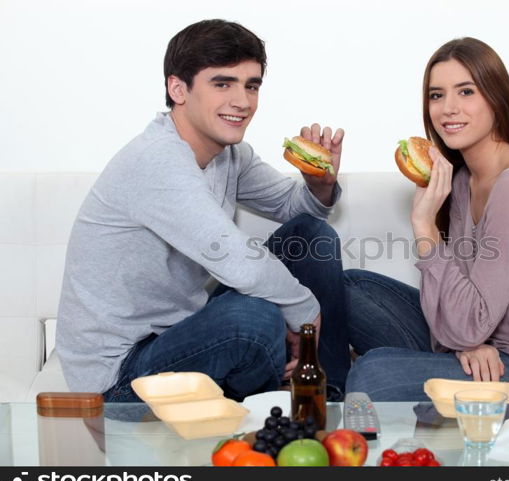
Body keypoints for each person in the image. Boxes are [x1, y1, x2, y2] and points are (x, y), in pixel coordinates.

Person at [55, 19, 351, 402]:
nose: (242, 102)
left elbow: (293, 208)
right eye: (222, 83)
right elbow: (239, 262)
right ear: (178, 88)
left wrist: (320, 180)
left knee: (311, 237)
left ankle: (329, 394)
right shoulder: (157, 160)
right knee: (253, 319)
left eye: (252, 85)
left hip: (181, 329)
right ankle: (272, 394)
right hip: (120, 374)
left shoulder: (229, 154)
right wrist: (306, 314)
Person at [344, 37, 509, 401]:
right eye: (437, 95)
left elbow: (468, 321)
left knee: (371, 374)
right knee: (351, 287)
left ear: (496, 97)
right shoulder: (460, 179)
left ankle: (347, 394)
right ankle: (325, 389)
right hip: (478, 343)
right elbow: (459, 307)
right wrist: (467, 345)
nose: (448, 109)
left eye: (466, 92)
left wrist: (424, 225)